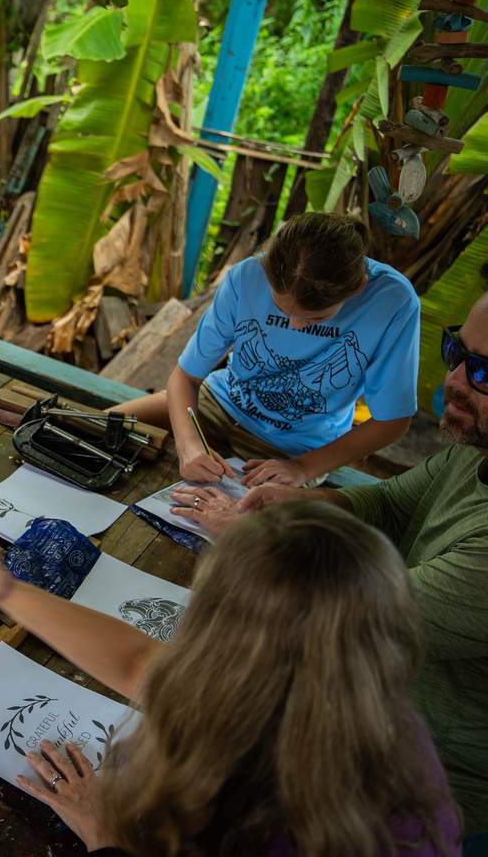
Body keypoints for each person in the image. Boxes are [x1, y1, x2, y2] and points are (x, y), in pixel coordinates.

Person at [0, 505, 460, 856]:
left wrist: (107, 837)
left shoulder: (261, 818)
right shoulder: (367, 710)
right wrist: (0, 587)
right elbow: (138, 664)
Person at [172, 292, 488, 847]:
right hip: (359, 706)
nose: (455, 380)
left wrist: (255, 538)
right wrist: (304, 505)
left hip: (416, 777)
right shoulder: (475, 451)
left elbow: (356, 617)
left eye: (483, 371)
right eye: (456, 350)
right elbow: (388, 507)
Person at [110, 212, 419, 488]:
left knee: (241, 528)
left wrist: (302, 468)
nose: (297, 327)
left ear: (358, 287)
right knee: (99, 425)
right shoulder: (246, 277)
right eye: (281, 309)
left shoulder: (393, 302)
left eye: (316, 318)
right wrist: (189, 444)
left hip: (295, 448)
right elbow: (184, 379)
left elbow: (392, 421)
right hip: (215, 405)